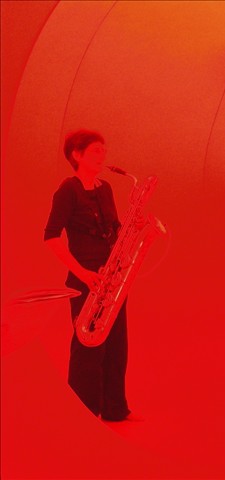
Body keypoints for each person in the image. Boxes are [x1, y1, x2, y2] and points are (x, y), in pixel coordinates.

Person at [44, 129, 131, 421]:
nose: (103, 155)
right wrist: (82, 274)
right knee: (88, 347)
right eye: (96, 150)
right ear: (76, 155)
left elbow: (115, 229)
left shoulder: (105, 188)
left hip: (112, 279)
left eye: (104, 149)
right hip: (87, 280)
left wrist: (134, 229)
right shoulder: (68, 190)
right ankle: (82, 414)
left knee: (117, 345)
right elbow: (51, 237)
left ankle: (115, 410)